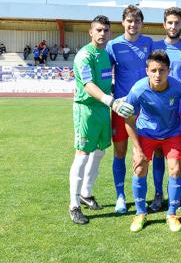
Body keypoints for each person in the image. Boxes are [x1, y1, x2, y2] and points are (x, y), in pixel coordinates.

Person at [68, 15, 135, 225]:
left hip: (103, 110)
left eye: (106, 30)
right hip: (87, 110)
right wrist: (111, 101)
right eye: (98, 30)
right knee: (82, 154)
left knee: (99, 152)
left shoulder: (105, 55)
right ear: (90, 32)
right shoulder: (84, 56)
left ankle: (86, 194)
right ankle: (74, 205)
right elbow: (88, 85)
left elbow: (106, 82)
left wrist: (116, 96)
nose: (102, 34)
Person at [124, 50, 181, 232]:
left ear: (169, 71)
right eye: (153, 70)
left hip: (172, 133)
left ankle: (172, 214)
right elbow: (128, 120)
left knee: (175, 169)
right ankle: (140, 213)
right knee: (139, 167)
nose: (157, 75)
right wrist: (137, 149)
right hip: (146, 133)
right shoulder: (138, 89)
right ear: (147, 71)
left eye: (162, 70)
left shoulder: (178, 87)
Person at [106, 5, 153, 214]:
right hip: (121, 107)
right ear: (123, 23)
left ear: (141, 23)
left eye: (137, 21)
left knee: (140, 153)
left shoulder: (148, 43)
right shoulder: (113, 46)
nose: (133, 25)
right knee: (120, 152)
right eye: (129, 21)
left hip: (144, 108)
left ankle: (140, 198)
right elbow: (106, 75)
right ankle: (120, 197)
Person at [151, 7, 181, 212]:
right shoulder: (155, 46)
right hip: (159, 109)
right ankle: (159, 194)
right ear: (164, 24)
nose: (173, 26)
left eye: (177, 23)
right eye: (170, 22)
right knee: (159, 153)